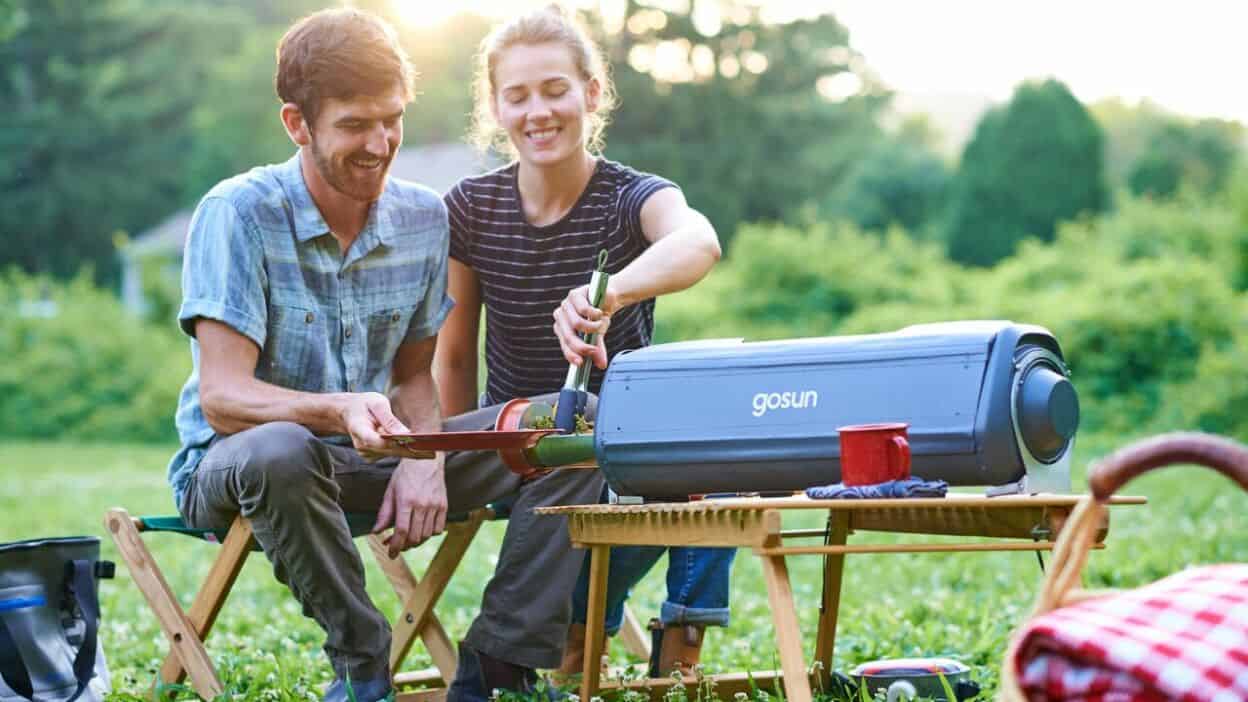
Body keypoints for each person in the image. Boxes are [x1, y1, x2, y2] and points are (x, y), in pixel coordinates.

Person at [166, 9, 602, 702]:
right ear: (297, 124)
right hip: (242, 467)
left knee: (569, 428)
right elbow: (223, 398)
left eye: (391, 119)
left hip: (374, 456)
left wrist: (425, 460)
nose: (379, 143)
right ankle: (365, 662)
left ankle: (497, 665)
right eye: (354, 125)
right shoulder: (239, 213)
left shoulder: (423, 217)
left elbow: (412, 376)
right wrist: (339, 411)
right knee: (282, 446)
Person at [434, 4, 735, 680]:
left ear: (591, 93)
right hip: (521, 453)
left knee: (719, 451)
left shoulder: (630, 197)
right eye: (517, 96)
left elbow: (698, 241)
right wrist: (452, 467)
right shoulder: (471, 209)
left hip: (621, 449)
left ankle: (680, 636)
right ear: (496, 107)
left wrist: (613, 291)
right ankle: (583, 623)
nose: (538, 111)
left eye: (555, 89)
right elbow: (451, 355)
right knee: (589, 451)